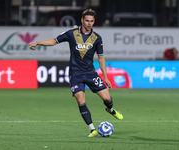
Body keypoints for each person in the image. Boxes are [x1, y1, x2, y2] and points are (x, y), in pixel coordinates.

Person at [29, 9, 123, 137]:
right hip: (76, 74)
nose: (89, 23)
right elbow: (54, 41)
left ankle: (110, 109)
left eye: (91, 21)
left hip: (90, 73)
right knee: (80, 100)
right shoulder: (71, 34)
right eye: (87, 21)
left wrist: (105, 77)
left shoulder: (97, 38)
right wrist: (38, 42)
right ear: (82, 21)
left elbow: (101, 57)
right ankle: (92, 129)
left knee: (107, 98)